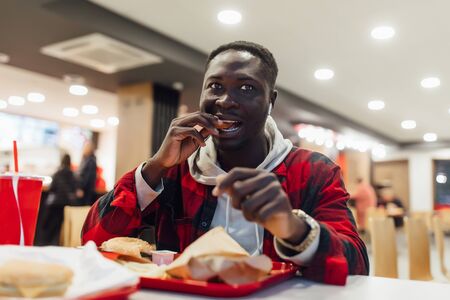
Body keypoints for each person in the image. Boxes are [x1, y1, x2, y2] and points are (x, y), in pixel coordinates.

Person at [82, 41, 369, 284]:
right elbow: (93, 241)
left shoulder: (313, 170)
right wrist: (155, 166)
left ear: (271, 100)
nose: (225, 100)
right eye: (215, 86)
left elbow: (356, 266)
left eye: (246, 88)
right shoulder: (175, 172)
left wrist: (293, 228)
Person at [41, 154, 82, 245]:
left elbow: (52, 188)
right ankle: (60, 243)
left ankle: (48, 243)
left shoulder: (57, 173)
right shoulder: (72, 174)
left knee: (52, 226)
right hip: (67, 204)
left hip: (55, 204)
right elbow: (76, 189)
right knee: (63, 226)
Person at [78, 141, 97, 206]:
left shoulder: (91, 161)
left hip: (86, 191)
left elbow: (88, 177)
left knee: (84, 208)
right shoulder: (85, 160)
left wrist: (81, 188)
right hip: (84, 190)